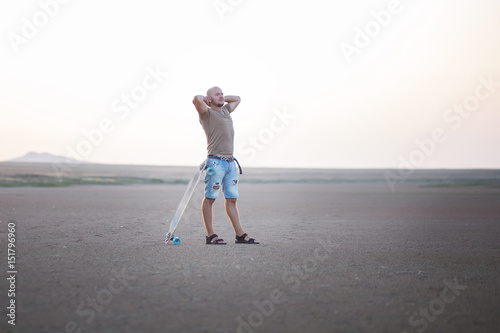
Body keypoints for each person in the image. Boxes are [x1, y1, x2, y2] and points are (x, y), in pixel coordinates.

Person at [193, 86, 259, 245]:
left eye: (222, 94)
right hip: (215, 162)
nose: (222, 96)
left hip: (230, 164)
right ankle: (210, 235)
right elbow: (196, 99)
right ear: (209, 99)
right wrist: (206, 99)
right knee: (210, 198)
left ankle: (240, 235)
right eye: (217, 95)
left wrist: (219, 98)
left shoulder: (226, 111)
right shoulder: (207, 114)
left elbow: (237, 98)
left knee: (232, 199)